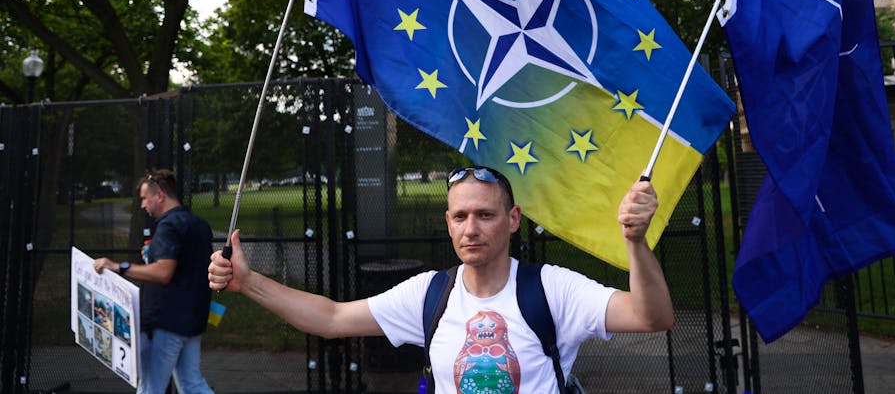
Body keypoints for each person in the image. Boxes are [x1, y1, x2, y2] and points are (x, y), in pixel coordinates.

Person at [208, 165, 673, 392]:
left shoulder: (552, 289)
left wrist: (635, 243)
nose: (471, 229)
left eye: (486, 215)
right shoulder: (431, 293)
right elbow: (330, 318)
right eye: (461, 216)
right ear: (448, 222)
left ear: (513, 219)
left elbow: (651, 317)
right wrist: (248, 282)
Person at [94, 168, 215, 394]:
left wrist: (118, 267)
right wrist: (153, 255)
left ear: (159, 194)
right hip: (192, 319)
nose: (142, 204)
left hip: (166, 322)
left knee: (151, 388)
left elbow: (163, 273)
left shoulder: (168, 226)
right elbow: (185, 266)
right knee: (191, 384)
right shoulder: (199, 224)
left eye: (144, 198)